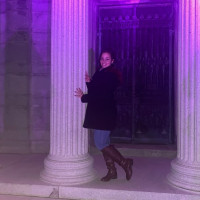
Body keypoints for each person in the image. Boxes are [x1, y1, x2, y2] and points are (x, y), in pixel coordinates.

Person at [75, 50, 133, 182]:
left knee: (100, 143)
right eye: (102, 58)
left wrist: (84, 97)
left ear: (112, 61)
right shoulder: (101, 72)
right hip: (100, 112)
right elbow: (97, 89)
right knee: (104, 143)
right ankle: (112, 171)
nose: (104, 61)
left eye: (107, 59)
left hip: (104, 113)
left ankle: (125, 163)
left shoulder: (110, 75)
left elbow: (102, 94)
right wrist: (89, 82)